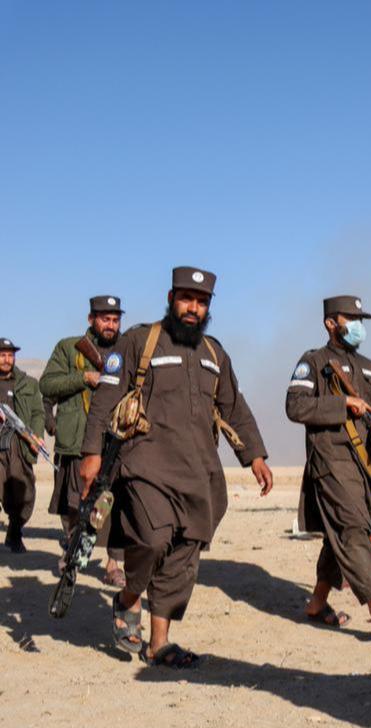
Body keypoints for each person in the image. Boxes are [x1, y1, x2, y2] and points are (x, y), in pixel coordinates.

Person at [81, 267, 271, 666]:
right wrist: (91, 453)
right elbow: (104, 398)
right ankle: (129, 598)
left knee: (184, 553)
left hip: (199, 471)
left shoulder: (214, 354)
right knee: (152, 540)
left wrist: (255, 455)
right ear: (171, 299)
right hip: (147, 464)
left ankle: (159, 643)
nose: (193, 308)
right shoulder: (140, 341)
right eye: (186, 299)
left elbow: (234, 406)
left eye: (201, 302)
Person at [284, 295, 371, 638]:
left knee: (341, 533)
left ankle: (317, 602)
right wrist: (342, 404)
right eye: (350, 319)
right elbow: (295, 406)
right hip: (331, 462)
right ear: (330, 323)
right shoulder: (314, 362)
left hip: (367, 466)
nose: (358, 326)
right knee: (353, 529)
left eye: (360, 320)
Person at [40, 295, 127, 584]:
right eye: (105, 319)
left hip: (115, 440)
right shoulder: (68, 348)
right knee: (75, 505)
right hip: (77, 442)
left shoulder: (127, 349)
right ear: (91, 319)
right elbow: (47, 385)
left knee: (119, 505)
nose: (110, 325)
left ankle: (115, 565)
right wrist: (84, 378)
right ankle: (73, 553)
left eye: (115, 320)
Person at [0, 337, 44, 553]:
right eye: (2, 355)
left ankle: (15, 530)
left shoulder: (27, 383)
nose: (7, 359)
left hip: (19, 444)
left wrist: (35, 435)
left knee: (24, 493)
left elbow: (37, 412)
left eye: (10, 355)